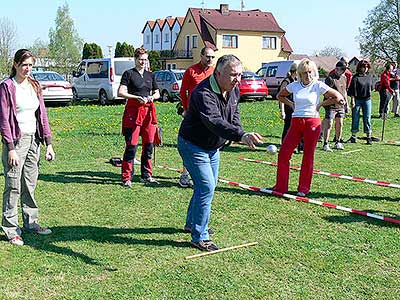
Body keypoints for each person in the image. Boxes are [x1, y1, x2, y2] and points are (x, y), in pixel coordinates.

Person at [177, 55, 262, 251]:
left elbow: (234, 114)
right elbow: (214, 121)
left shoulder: (233, 89)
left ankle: (192, 222)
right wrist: (240, 135)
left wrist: (241, 132)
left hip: (212, 147)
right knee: (206, 186)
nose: (237, 79)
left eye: (240, 74)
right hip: (192, 144)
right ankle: (199, 236)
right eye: (233, 75)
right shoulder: (203, 93)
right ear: (218, 73)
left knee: (207, 185)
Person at [0, 49, 55, 246]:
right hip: (16, 141)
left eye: (31, 65)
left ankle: (31, 223)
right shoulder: (7, 87)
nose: (28, 69)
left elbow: (42, 115)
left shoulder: (34, 85)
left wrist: (48, 144)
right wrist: (11, 147)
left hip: (34, 140)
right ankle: (10, 228)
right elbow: (4, 120)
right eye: (24, 65)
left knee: (29, 184)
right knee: (13, 185)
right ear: (15, 64)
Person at [273, 58, 343, 196]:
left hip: (312, 122)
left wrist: (321, 104)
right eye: (304, 72)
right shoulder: (294, 85)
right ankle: (281, 187)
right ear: (299, 73)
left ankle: (303, 188)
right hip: (296, 122)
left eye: (310, 72)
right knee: (284, 153)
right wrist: (291, 104)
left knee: (308, 156)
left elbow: (338, 97)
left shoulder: (318, 85)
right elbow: (280, 95)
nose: (308, 75)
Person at [118, 47, 160, 187]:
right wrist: (137, 97)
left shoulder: (150, 75)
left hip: (148, 112)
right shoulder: (128, 74)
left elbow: (157, 93)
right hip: (133, 112)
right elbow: (121, 92)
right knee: (132, 145)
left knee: (148, 145)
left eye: (145, 59)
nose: (143, 62)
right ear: (135, 59)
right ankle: (126, 177)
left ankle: (146, 175)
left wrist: (152, 98)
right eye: (140, 59)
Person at [178, 47, 215, 188]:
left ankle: (202, 177)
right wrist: (186, 109)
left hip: (210, 115)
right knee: (191, 145)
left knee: (207, 146)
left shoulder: (214, 72)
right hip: (193, 115)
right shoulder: (191, 71)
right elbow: (183, 92)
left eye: (212, 57)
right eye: (207, 56)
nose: (210, 59)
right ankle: (185, 175)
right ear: (201, 56)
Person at [322, 61, 349, 151]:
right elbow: (325, 93)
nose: (338, 71)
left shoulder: (344, 78)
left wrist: (346, 104)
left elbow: (344, 92)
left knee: (340, 123)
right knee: (329, 124)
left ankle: (338, 142)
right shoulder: (330, 79)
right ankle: (325, 143)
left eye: (341, 70)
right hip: (331, 105)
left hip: (341, 106)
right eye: (337, 69)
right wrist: (336, 99)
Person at [346, 60, 374, 144]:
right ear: (360, 67)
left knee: (367, 118)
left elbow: (371, 88)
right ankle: (353, 136)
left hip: (367, 100)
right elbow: (352, 90)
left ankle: (368, 136)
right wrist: (352, 100)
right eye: (363, 67)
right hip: (357, 100)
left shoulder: (369, 76)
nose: (365, 69)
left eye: (366, 67)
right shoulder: (355, 77)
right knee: (355, 117)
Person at [278, 62, 303, 153]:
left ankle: (299, 146)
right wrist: (282, 111)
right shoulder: (286, 81)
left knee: (298, 128)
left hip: (296, 109)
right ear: (295, 71)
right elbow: (281, 96)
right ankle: (285, 145)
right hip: (288, 109)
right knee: (288, 127)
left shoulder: (296, 81)